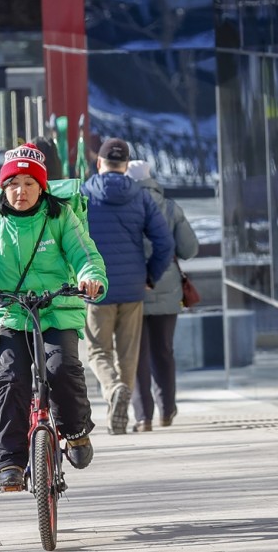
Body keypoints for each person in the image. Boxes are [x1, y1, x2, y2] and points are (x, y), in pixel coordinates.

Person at [0, 142, 108, 492]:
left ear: (42, 186)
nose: (20, 191)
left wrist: (92, 279)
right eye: (12, 183)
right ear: (2, 187)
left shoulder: (61, 217)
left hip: (57, 310)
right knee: (10, 380)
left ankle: (76, 432)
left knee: (62, 369)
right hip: (9, 314)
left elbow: (85, 254)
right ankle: (10, 461)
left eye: (28, 183)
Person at [81, 137, 175, 436]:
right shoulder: (140, 195)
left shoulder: (85, 194)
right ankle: (118, 414)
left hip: (96, 286)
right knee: (128, 355)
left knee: (97, 351)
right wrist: (150, 275)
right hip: (133, 286)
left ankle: (112, 390)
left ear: (100, 163)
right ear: (125, 166)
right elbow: (165, 242)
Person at [125, 159, 199, 431]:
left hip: (132, 288)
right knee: (164, 350)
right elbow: (189, 249)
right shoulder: (170, 207)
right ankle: (167, 410)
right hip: (167, 289)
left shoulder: (124, 208)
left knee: (137, 353)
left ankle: (143, 416)